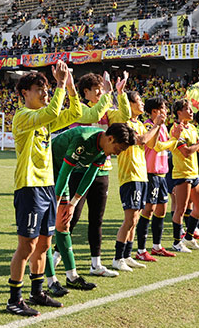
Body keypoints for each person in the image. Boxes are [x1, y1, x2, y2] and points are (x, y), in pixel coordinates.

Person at [7, 61, 81, 317]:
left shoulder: (45, 120)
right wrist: (59, 84)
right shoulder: (23, 116)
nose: (45, 93)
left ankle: (37, 292)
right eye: (39, 89)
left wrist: (69, 86)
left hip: (47, 187)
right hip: (29, 187)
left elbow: (75, 113)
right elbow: (51, 112)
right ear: (24, 93)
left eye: (47, 89)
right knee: (26, 246)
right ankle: (14, 299)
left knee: (44, 245)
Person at [44, 123, 136, 293]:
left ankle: (72, 277)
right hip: (47, 173)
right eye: (119, 148)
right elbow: (64, 172)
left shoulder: (103, 149)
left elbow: (90, 175)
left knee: (63, 224)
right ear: (110, 139)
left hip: (62, 176)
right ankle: (50, 281)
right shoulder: (83, 140)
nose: (118, 153)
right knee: (47, 228)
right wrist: (55, 204)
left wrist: (73, 203)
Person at [58, 71, 130, 280]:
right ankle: (56, 256)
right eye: (97, 89)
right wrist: (108, 96)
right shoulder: (80, 110)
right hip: (79, 170)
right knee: (71, 217)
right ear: (85, 92)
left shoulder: (108, 111)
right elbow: (94, 116)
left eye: (102, 88)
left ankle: (96, 264)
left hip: (101, 169)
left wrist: (120, 93)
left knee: (96, 220)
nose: (101, 92)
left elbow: (125, 116)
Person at [112, 91, 164, 271]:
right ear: (130, 104)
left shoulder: (140, 124)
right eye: (139, 100)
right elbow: (141, 140)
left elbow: (151, 144)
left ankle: (127, 255)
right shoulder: (125, 124)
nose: (142, 103)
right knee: (130, 219)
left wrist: (157, 127)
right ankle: (118, 258)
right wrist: (156, 125)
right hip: (130, 175)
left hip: (141, 175)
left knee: (135, 220)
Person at [135, 97, 179, 262]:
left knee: (161, 210)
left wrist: (174, 138)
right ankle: (141, 250)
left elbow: (169, 147)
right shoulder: (148, 126)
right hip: (150, 172)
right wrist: (173, 140)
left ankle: (157, 246)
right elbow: (156, 146)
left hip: (162, 173)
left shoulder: (163, 127)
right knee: (148, 210)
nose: (166, 111)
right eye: (163, 108)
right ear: (154, 111)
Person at [168, 99, 199, 252]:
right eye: (188, 109)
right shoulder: (175, 129)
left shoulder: (192, 127)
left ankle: (189, 237)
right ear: (179, 112)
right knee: (181, 209)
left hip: (194, 172)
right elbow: (186, 152)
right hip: (182, 173)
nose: (191, 112)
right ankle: (177, 242)